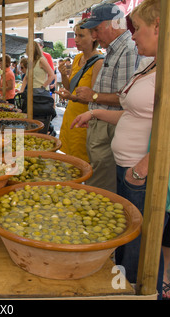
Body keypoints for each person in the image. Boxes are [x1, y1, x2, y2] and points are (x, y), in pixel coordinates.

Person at [71, 0, 169, 299]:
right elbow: (137, 114)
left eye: (137, 28)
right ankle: (124, 284)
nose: (134, 35)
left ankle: (143, 290)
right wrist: (96, 112)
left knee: (142, 242)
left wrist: (142, 168)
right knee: (129, 236)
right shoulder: (153, 64)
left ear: (158, 27)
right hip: (128, 166)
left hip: (141, 173)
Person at [74, 2, 140, 193]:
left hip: (111, 125)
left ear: (112, 25)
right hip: (103, 121)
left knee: (102, 184)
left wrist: (93, 96)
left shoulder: (128, 49)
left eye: (96, 29)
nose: (94, 36)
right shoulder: (114, 49)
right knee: (98, 176)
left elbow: (125, 98)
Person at [56, 19, 104, 163]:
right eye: (75, 35)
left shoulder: (98, 62)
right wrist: (64, 75)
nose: (75, 40)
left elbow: (94, 97)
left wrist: (73, 97)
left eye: (81, 36)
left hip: (84, 121)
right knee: (68, 159)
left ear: (94, 37)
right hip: (70, 115)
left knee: (80, 162)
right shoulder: (77, 58)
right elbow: (71, 87)